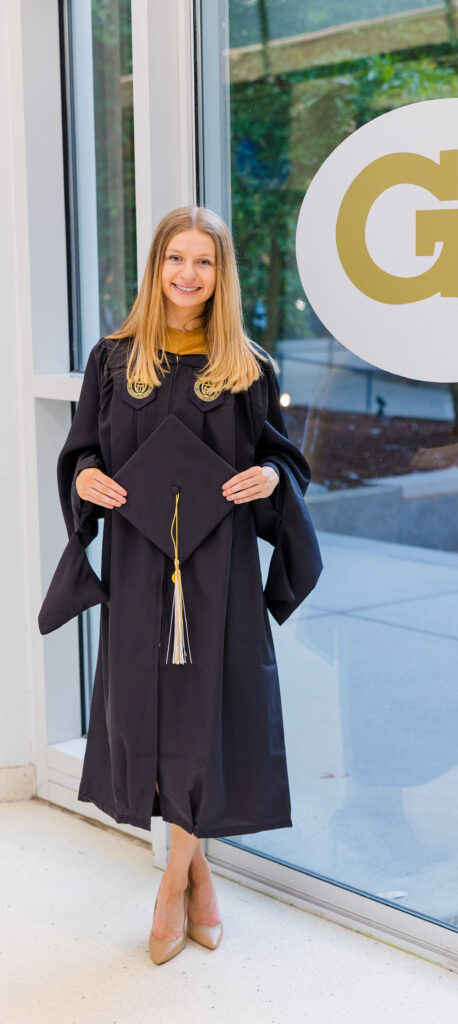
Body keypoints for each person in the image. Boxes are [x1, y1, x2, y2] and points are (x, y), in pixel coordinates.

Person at [38, 206, 323, 964]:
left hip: (218, 565)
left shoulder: (246, 366)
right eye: (175, 259)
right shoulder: (114, 358)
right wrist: (87, 479)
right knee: (147, 714)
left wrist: (269, 477)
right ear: (156, 266)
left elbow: (283, 459)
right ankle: (199, 875)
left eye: (204, 262)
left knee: (203, 718)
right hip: (139, 565)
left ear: (221, 274)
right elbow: (83, 452)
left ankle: (174, 882)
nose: (187, 275)